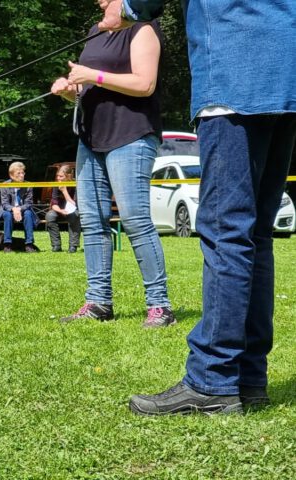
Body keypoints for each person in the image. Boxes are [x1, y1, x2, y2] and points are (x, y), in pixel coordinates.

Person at [105, 1, 296, 415]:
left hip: (233, 75)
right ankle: (248, 379)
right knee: (255, 234)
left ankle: (213, 380)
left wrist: (125, 8)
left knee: (227, 230)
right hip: (285, 78)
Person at [51, 1, 175, 328]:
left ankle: (160, 306)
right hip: (91, 138)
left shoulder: (142, 27)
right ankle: (98, 302)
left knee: (135, 220)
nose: (98, 1)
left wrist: (92, 74)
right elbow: (88, 88)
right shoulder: (95, 32)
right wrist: (69, 89)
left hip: (131, 135)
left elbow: (144, 83)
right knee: (92, 221)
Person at [0, 161, 39, 253]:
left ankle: (29, 244)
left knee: (28, 213)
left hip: (24, 210)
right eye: (19, 173)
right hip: (8, 210)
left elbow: (29, 203)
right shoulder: (5, 185)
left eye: (23, 173)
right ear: (11, 175)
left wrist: (19, 209)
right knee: (7, 215)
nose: (22, 175)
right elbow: (4, 204)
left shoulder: (28, 185)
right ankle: (7, 245)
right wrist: (14, 209)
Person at [45, 165, 80, 253]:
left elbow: (74, 204)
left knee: (74, 215)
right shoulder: (56, 185)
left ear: (68, 176)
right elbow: (54, 204)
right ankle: (56, 245)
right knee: (50, 216)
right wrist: (61, 211)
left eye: (61, 176)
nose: (58, 178)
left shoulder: (75, 184)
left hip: (72, 210)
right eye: (57, 176)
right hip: (60, 210)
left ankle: (73, 246)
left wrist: (64, 191)